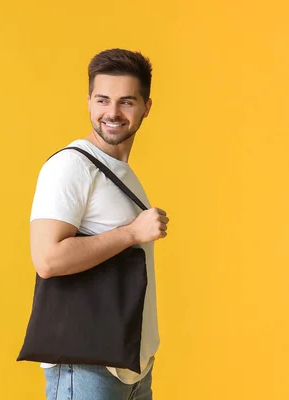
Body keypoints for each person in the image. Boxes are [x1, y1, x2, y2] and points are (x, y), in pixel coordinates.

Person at [29, 48, 169, 400]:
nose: (112, 113)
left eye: (126, 102)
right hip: (88, 366)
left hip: (132, 365)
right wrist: (132, 233)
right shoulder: (72, 167)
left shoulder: (120, 172)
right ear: (89, 101)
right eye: (103, 99)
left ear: (146, 107)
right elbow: (47, 259)